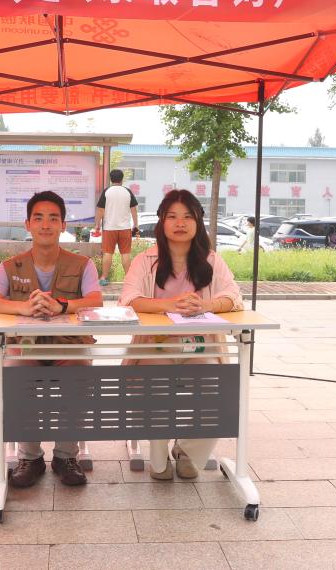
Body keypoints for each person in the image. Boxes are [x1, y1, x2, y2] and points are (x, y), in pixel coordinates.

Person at [0, 190, 103, 488]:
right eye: (38, 218)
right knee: (18, 373)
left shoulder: (82, 264)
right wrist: (23, 307)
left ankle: (65, 456)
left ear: (63, 225)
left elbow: (96, 301)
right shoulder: (11, 266)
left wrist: (62, 305)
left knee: (78, 375)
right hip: (26, 347)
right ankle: (30, 458)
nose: (45, 225)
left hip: (70, 347)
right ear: (28, 224)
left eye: (53, 218)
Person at [119, 189, 243, 480]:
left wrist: (205, 305)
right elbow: (128, 299)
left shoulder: (211, 260)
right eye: (172, 216)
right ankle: (158, 459)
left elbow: (233, 297)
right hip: (155, 345)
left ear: (198, 222)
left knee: (220, 387)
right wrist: (170, 305)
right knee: (155, 383)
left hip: (199, 346)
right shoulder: (145, 260)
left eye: (188, 216)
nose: (180, 223)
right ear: (161, 222)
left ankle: (188, 450)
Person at [93, 169, 139, 286]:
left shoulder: (107, 192)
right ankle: (128, 279)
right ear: (122, 179)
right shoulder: (127, 192)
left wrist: (97, 224)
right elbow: (133, 209)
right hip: (125, 228)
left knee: (108, 253)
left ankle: (103, 278)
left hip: (109, 228)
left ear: (111, 179)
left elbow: (100, 210)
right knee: (125, 254)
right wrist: (135, 224)